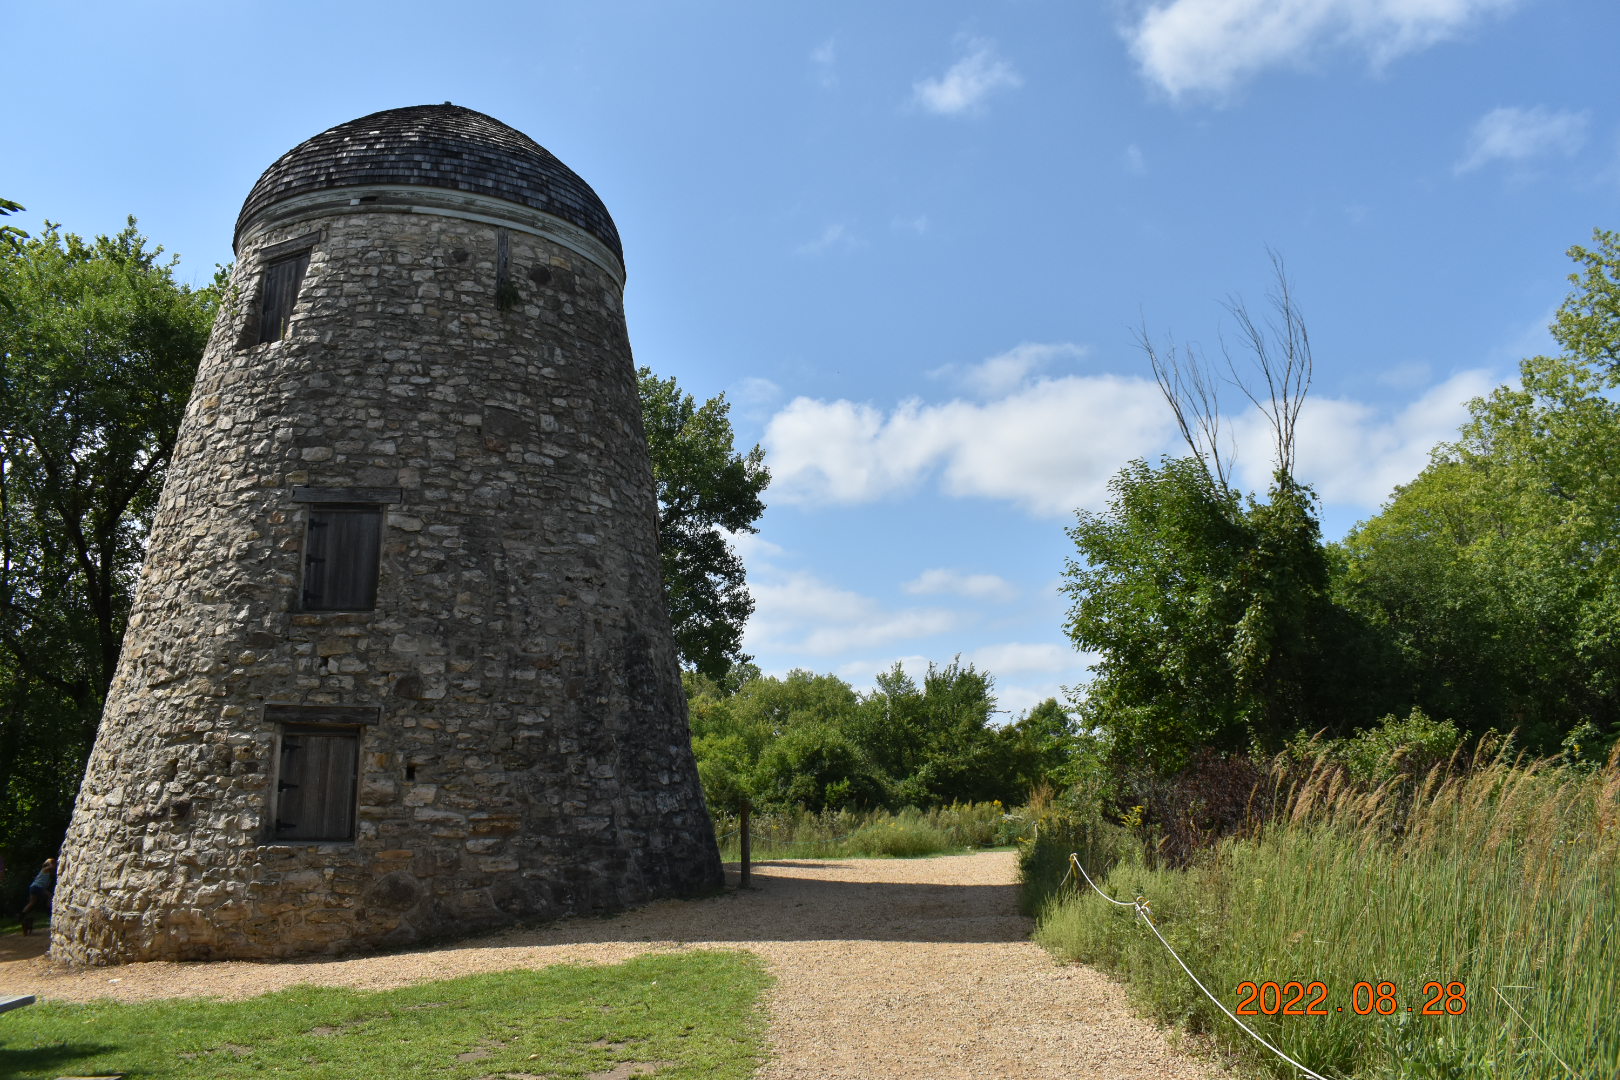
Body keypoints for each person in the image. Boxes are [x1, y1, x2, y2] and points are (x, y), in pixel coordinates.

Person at [19, 856, 55, 936]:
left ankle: (22, 915)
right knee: (50, 897)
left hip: (33, 887)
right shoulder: (45, 869)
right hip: (37, 887)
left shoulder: (47, 873)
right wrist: (49, 861)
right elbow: (51, 866)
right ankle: (50, 913)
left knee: (32, 903)